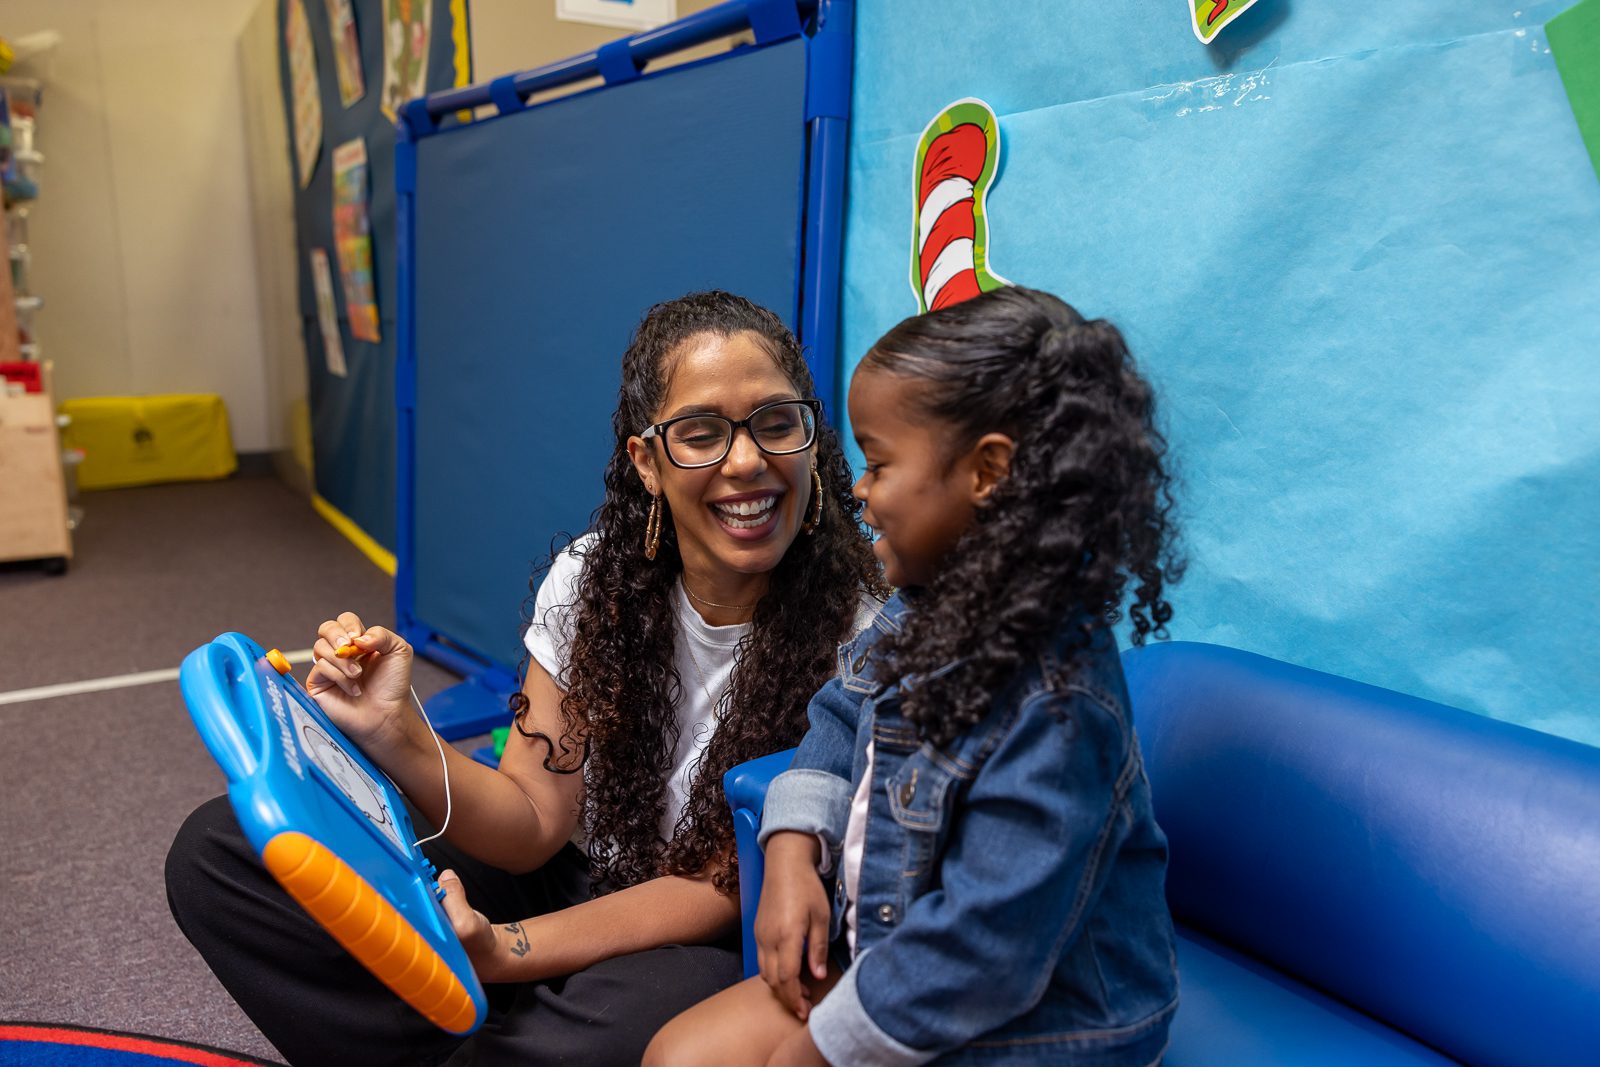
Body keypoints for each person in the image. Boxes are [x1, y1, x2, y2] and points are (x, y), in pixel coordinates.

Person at [165, 291, 888, 1067]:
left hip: (702, 935)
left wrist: (507, 947)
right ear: (647, 461)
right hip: (571, 875)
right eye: (701, 434)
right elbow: (534, 821)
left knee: (617, 1033)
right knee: (219, 850)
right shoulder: (593, 579)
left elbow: (717, 888)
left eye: (776, 423)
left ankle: (477, 1031)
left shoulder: (859, 629)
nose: (746, 461)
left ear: (812, 438)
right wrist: (395, 733)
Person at [647, 285, 1184, 1066]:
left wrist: (824, 1049)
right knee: (678, 1055)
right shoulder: (916, 609)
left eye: (881, 464)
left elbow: (985, 951)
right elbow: (838, 715)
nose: (859, 490)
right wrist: (795, 845)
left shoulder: (1059, 704)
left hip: (1049, 1021)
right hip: (901, 961)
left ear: (987, 472)